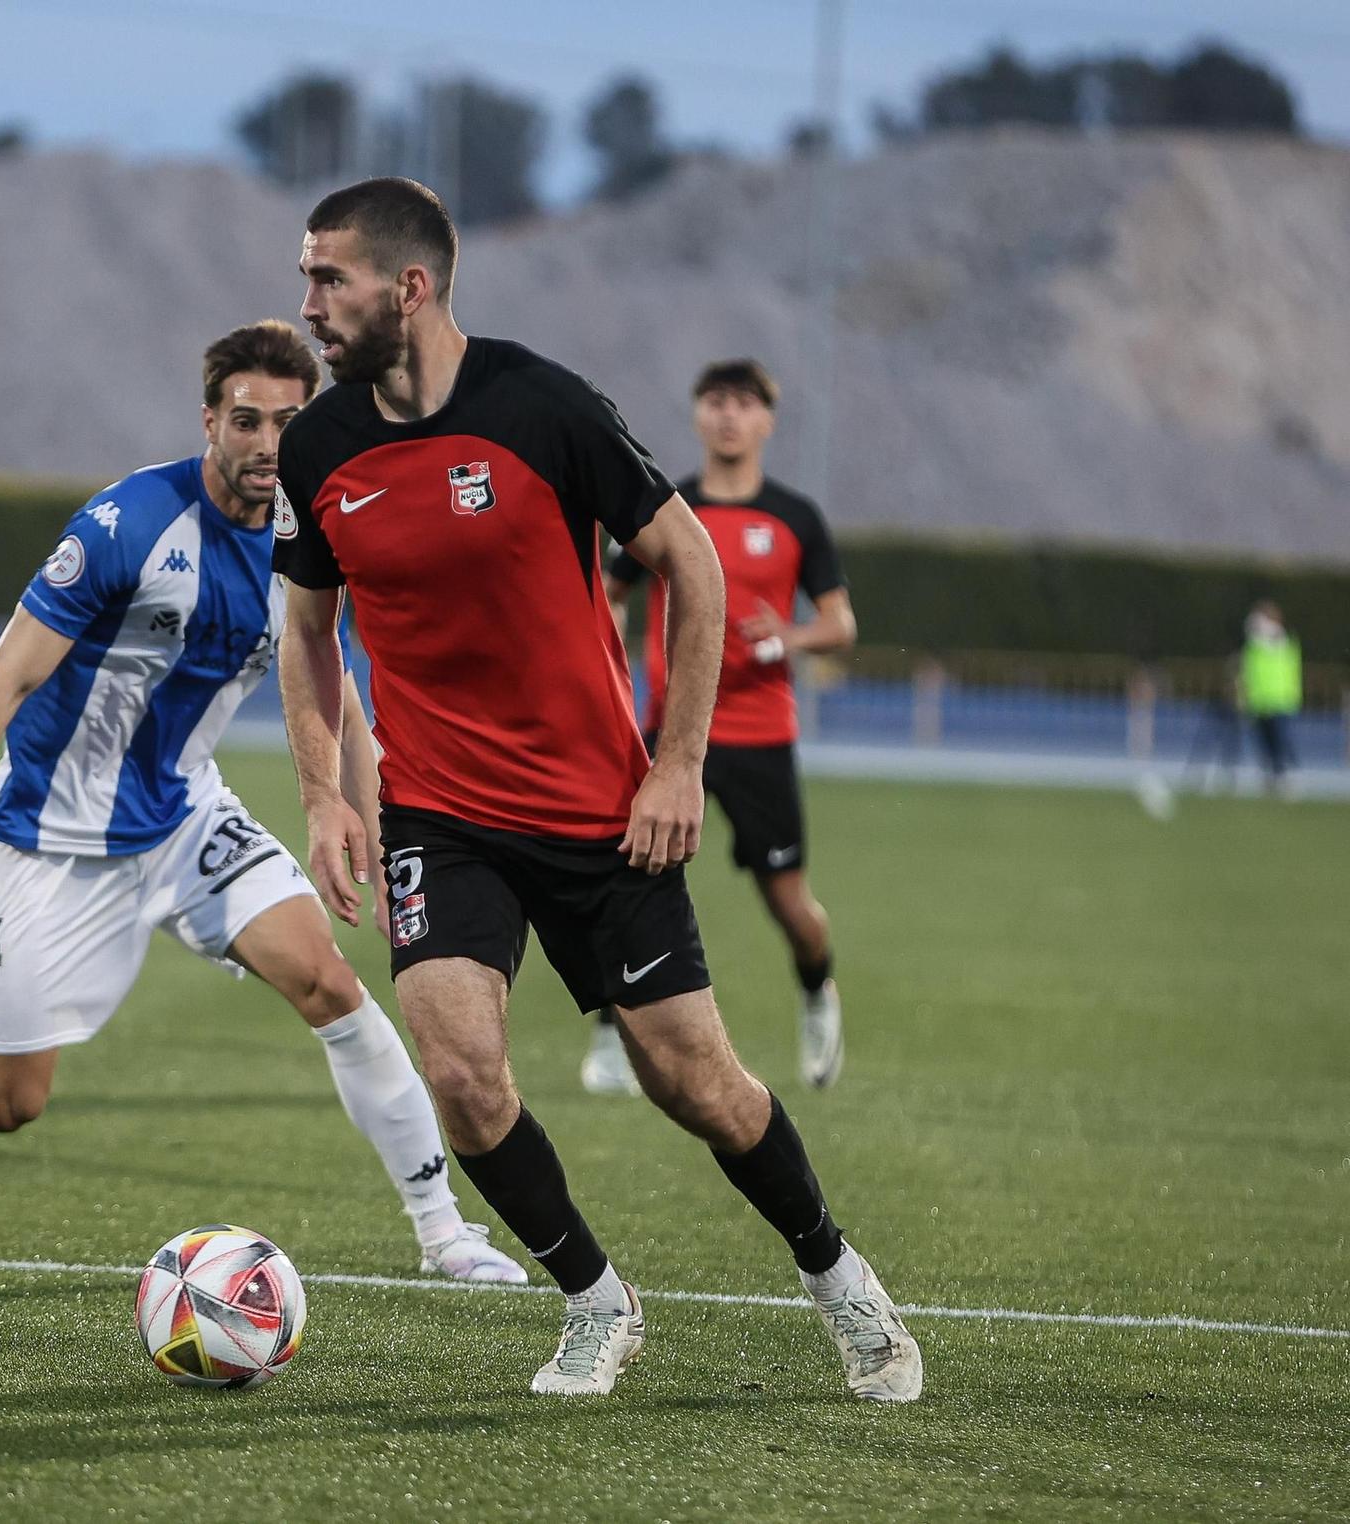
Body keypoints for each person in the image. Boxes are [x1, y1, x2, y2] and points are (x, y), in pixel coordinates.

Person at [274, 177, 919, 1399]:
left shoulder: (543, 406)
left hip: (593, 813)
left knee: (699, 1085)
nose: (307, 304)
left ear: (408, 287)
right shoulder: (320, 447)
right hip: (437, 813)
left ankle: (838, 1279)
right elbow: (305, 632)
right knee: (459, 1071)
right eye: (305, 277)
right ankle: (593, 1300)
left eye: (328, 279)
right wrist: (324, 795)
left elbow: (691, 567)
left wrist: (674, 764)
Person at [0, 320, 525, 1288]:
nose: (266, 443)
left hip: (184, 818)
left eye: (287, 424)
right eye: (245, 420)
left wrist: (385, 837)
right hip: (56, 836)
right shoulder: (126, 526)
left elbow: (340, 700)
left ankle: (443, 1232)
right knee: (8, 1106)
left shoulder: (311, 539)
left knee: (330, 987)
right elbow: (0, 682)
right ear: (209, 420)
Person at [585, 359, 857, 1096]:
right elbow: (607, 591)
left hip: (760, 735)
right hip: (666, 736)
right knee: (628, 886)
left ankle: (815, 995)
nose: (729, 416)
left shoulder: (795, 517)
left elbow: (841, 624)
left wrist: (791, 638)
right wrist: (610, 669)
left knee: (789, 904)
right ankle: (612, 1036)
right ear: (699, 415)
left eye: (743, 404)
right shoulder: (664, 504)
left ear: (766, 420)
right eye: (715, 402)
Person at [1240, 600, 1301, 797]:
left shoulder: (1282, 641)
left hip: (1281, 701)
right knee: (1264, 743)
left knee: (1280, 742)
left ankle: (1285, 777)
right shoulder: (1253, 645)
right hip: (1259, 702)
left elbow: (1283, 660)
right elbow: (1248, 672)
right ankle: (1270, 778)